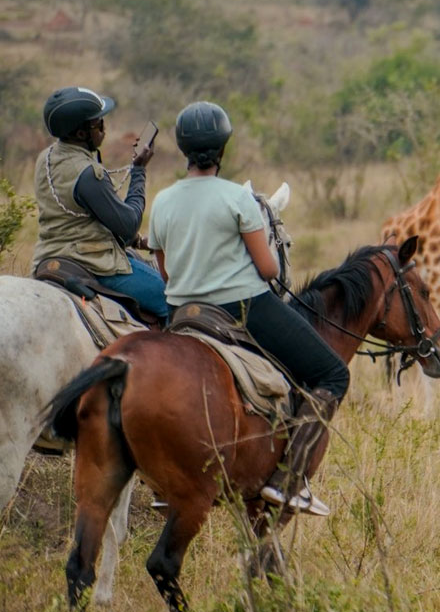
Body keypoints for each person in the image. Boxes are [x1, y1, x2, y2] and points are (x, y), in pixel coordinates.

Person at [148, 101, 350, 516]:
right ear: (222, 149)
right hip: (243, 307)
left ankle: (164, 481)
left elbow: (165, 272)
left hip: (184, 313)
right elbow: (268, 268)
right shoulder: (238, 197)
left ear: (183, 149)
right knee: (333, 373)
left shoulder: (163, 201)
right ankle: (290, 480)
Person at [32, 86, 168, 320]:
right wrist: (138, 171)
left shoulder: (46, 157)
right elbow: (128, 224)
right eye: (99, 124)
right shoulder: (88, 174)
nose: (104, 128)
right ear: (82, 134)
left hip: (50, 255)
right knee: (172, 300)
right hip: (92, 260)